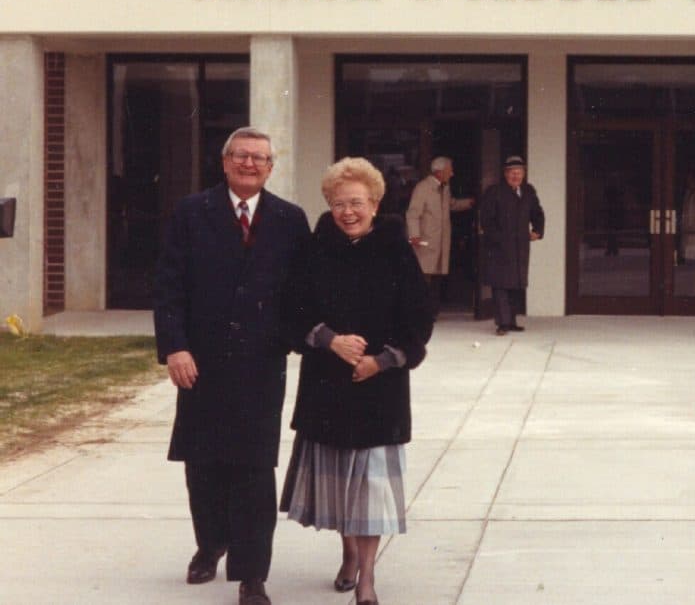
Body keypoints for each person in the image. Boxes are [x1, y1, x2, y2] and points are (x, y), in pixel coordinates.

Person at [153, 127, 310, 605]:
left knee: (254, 468)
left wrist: (290, 339)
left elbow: (305, 291)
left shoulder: (289, 218)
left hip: (260, 365)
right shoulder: (190, 213)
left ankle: (251, 574)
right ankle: (210, 544)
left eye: (259, 158)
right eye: (240, 156)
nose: (249, 164)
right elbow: (168, 286)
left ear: (270, 167)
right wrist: (175, 347)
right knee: (202, 463)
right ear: (224, 162)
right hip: (199, 362)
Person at [280, 157, 434, 605]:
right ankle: (347, 553)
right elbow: (292, 309)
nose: (348, 211)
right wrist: (329, 340)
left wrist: (382, 361)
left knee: (369, 492)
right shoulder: (314, 248)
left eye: (357, 203)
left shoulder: (394, 248)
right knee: (338, 489)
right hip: (327, 385)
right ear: (328, 205)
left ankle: (366, 579)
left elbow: (420, 317)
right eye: (339, 203)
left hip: (379, 390)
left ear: (375, 203)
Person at [479, 155, 545, 335]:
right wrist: (498, 239)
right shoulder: (494, 192)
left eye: (519, 173)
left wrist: (537, 230)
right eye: (512, 173)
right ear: (505, 174)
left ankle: (512, 320)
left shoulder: (528, 191)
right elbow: (486, 220)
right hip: (499, 247)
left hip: (520, 247)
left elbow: (537, 212)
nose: (516, 176)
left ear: (523, 174)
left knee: (516, 284)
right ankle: (503, 323)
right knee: (500, 284)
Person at [405, 156, 475, 317]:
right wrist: (414, 235)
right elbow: (413, 213)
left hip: (441, 241)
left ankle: (431, 313)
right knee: (423, 278)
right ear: (439, 172)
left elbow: (451, 204)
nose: (452, 173)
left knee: (435, 278)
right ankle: (420, 314)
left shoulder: (445, 187)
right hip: (425, 241)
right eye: (449, 170)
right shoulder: (423, 188)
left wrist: (469, 203)